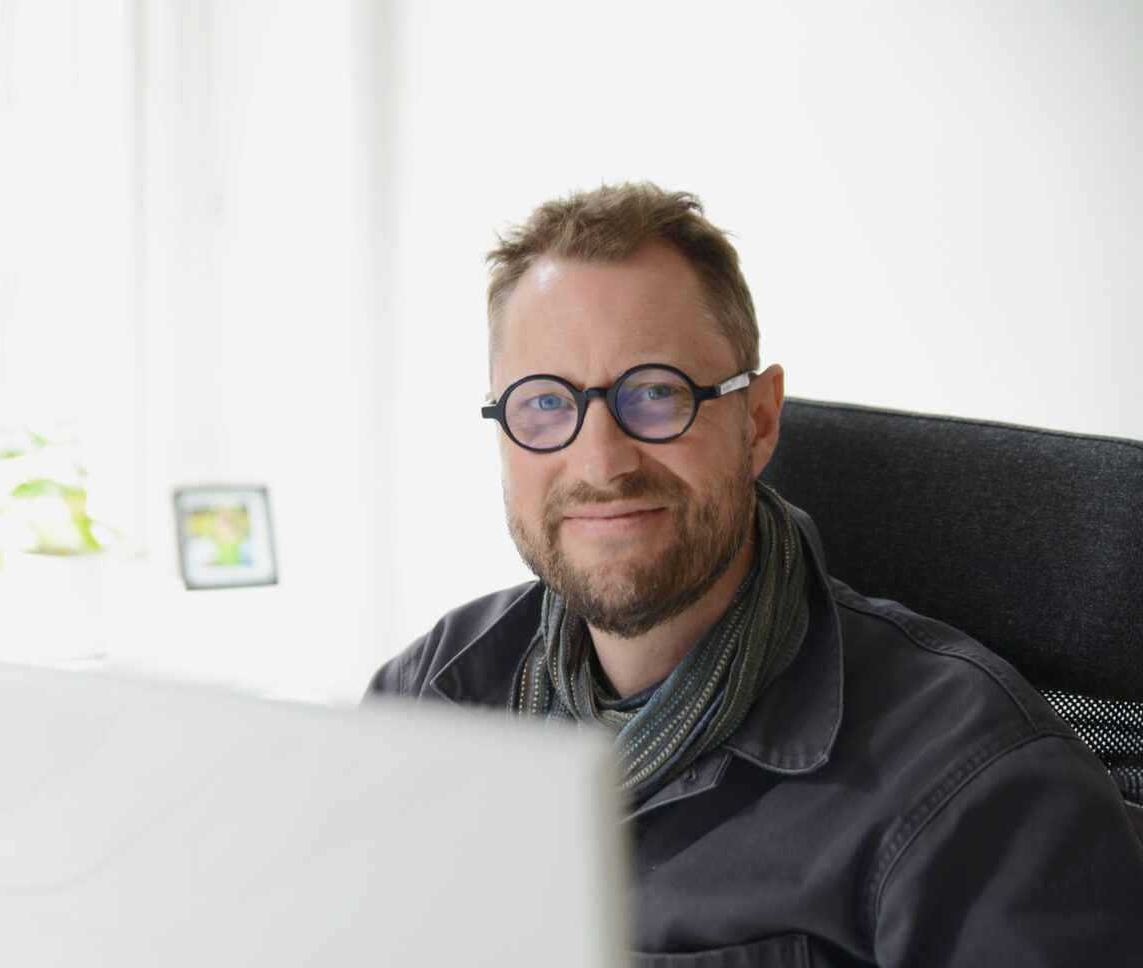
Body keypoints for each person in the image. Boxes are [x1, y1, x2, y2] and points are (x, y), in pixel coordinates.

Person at [365, 182, 1143, 965]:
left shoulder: (977, 788)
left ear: (760, 420)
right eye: (543, 404)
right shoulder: (429, 700)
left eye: (656, 393)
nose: (599, 462)